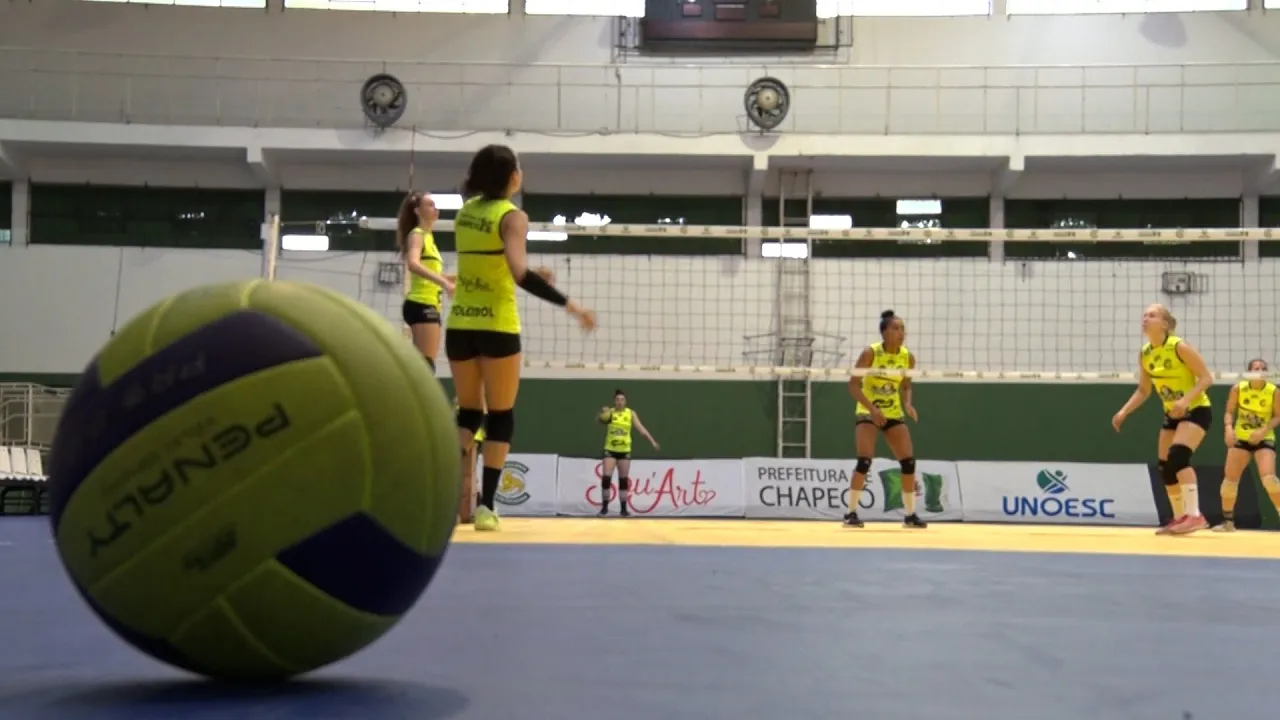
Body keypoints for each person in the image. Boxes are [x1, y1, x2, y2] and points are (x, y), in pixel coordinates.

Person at [447, 144, 596, 532]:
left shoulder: (465, 213)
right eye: (519, 168)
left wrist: (536, 271)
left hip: (460, 325)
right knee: (501, 416)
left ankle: (434, 476)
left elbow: (490, 260)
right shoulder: (513, 216)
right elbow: (516, 272)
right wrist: (571, 306)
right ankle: (486, 506)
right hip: (496, 327)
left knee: (467, 414)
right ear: (511, 176)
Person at [1112, 304, 1213, 535]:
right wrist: (1124, 411)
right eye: (1144, 315)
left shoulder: (1179, 347)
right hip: (1172, 414)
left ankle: (1195, 515)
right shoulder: (1146, 353)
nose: (1145, 318)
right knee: (1165, 467)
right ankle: (1179, 518)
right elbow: (1144, 390)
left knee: (1178, 457)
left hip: (1196, 410)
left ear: (1165, 324)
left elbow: (1206, 378)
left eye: (1152, 315)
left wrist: (1185, 401)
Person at [843, 310, 926, 529]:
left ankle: (909, 515)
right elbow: (852, 385)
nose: (902, 333)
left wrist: (908, 403)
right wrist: (872, 410)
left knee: (908, 462)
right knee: (865, 460)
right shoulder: (870, 353)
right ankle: (851, 513)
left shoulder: (907, 357)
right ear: (885, 331)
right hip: (868, 411)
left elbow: (906, 384)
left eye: (903, 329)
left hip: (893, 412)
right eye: (896, 328)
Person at [1218, 358, 1280, 531]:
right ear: (1249, 372)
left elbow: (1277, 416)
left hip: (1264, 438)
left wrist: (1262, 431)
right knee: (1230, 481)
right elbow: (1229, 411)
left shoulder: (1273, 391)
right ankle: (1228, 522)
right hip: (1241, 438)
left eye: (1263, 368)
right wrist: (1228, 429)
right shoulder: (1238, 389)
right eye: (1255, 368)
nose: (1259, 370)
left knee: (1269, 479)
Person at [396, 191, 454, 373]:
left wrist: (462, 277)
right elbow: (413, 264)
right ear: (417, 211)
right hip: (422, 303)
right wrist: (445, 284)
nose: (435, 209)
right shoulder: (417, 234)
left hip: (427, 303)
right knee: (426, 366)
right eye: (430, 205)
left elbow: (434, 274)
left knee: (423, 364)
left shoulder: (429, 238)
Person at [596, 389, 660, 517]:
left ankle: (623, 509)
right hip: (610, 450)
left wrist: (652, 442)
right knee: (606, 478)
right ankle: (604, 508)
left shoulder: (630, 413)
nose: (620, 402)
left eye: (622, 399)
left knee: (623, 480)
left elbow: (641, 428)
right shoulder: (610, 413)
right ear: (614, 401)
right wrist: (601, 414)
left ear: (625, 401)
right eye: (617, 400)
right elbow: (597, 421)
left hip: (624, 451)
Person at [457, 398, 487, 524]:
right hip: (465, 443)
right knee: (467, 477)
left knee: (469, 477)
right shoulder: (461, 406)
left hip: (473, 442)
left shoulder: (483, 407)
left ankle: (471, 510)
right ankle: (466, 510)